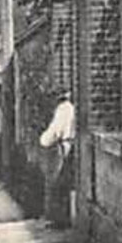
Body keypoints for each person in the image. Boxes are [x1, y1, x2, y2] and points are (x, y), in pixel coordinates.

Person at [38, 89, 77, 226]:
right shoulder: (70, 108)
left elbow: (54, 132)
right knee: (63, 181)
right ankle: (61, 218)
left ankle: (59, 219)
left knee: (57, 181)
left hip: (61, 146)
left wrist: (43, 140)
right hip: (68, 144)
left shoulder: (63, 110)